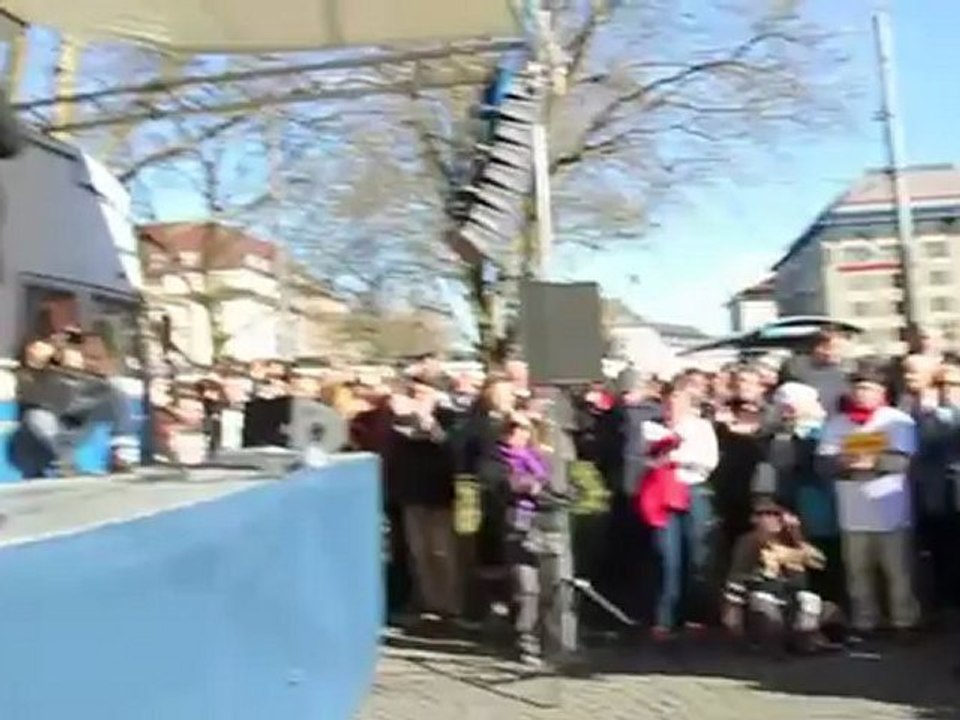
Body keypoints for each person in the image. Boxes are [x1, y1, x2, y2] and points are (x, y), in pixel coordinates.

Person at [816, 358, 920, 644]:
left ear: (881, 392)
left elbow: (901, 461)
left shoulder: (896, 420)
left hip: (890, 510)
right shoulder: (837, 423)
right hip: (852, 508)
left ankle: (903, 621)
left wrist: (864, 458)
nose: (862, 393)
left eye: (869, 388)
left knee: (897, 571)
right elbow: (825, 462)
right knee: (858, 571)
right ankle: (865, 621)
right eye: (858, 388)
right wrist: (859, 458)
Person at [635, 378, 719, 640]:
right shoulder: (651, 427)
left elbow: (708, 461)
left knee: (697, 556)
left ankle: (694, 615)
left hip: (692, 491)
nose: (672, 408)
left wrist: (674, 457)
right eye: (668, 403)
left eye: (678, 403)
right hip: (662, 495)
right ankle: (664, 618)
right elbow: (646, 458)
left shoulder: (700, 427)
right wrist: (666, 455)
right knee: (666, 556)